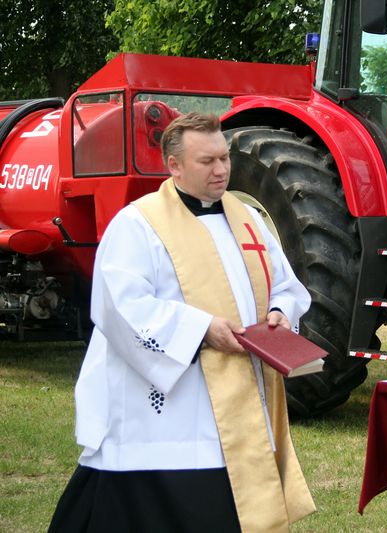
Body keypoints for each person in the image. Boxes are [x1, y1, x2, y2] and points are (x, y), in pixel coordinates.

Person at [49, 113, 315, 532]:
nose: (222, 169)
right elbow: (121, 306)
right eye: (206, 161)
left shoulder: (247, 218)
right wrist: (201, 329)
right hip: (171, 404)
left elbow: (284, 284)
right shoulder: (139, 224)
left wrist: (281, 312)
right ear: (173, 165)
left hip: (241, 398)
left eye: (224, 158)